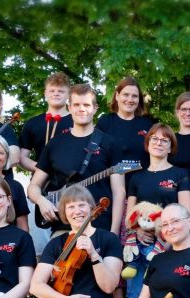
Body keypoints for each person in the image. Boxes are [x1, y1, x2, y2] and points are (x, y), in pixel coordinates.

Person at [27, 83, 125, 235]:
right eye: (77, 104)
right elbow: (33, 186)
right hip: (63, 228)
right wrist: (41, 201)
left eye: (86, 105)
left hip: (100, 228)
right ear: (70, 107)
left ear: (95, 108)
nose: (81, 109)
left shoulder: (109, 143)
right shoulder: (55, 143)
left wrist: (114, 232)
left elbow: (119, 192)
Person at [125, 124, 190, 298]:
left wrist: (169, 241)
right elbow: (130, 214)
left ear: (171, 147)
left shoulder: (180, 174)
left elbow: (187, 212)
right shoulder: (136, 178)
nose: (159, 143)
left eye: (165, 140)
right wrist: (137, 231)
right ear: (147, 144)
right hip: (142, 245)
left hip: (172, 243)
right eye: (154, 139)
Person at [19, 72, 74, 174]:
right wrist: (41, 169)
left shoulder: (77, 122)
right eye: (52, 90)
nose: (56, 94)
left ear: (69, 95)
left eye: (61, 91)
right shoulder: (32, 123)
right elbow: (22, 157)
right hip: (40, 180)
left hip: (71, 179)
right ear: (45, 93)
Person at [96, 77, 155, 169]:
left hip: (140, 177)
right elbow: (95, 156)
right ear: (117, 96)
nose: (130, 100)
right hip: (109, 177)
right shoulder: (105, 122)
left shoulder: (147, 124)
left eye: (134, 96)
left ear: (139, 99)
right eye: (126, 95)